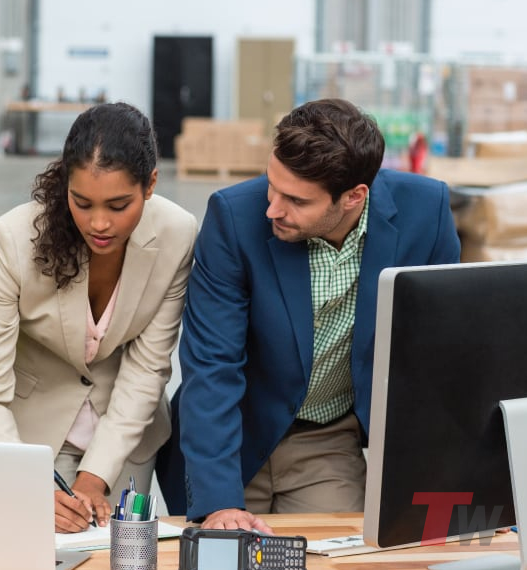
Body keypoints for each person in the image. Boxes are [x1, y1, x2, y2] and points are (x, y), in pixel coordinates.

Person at [174, 98, 461, 531]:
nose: (272, 207)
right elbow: (213, 363)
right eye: (272, 185)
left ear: (353, 197)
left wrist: (443, 490)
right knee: (221, 552)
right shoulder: (234, 217)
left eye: (295, 200)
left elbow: (439, 360)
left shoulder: (427, 212)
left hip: (327, 437)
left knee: (337, 555)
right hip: (231, 431)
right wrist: (219, 504)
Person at [0, 102, 197, 533]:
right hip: (29, 438)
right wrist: (23, 484)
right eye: (82, 203)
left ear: (151, 185)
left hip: (126, 437)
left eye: (119, 204)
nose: (100, 223)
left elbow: (148, 369)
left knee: (121, 555)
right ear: (65, 185)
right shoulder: (13, 240)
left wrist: (95, 477)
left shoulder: (177, 233)